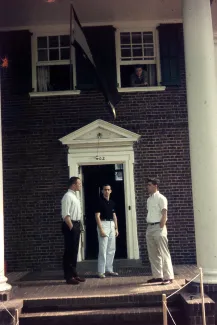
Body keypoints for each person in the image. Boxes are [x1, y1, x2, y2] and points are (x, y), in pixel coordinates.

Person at [146, 177, 174, 285]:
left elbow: (164, 214)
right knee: (153, 253)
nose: (147, 187)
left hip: (159, 227)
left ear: (155, 186)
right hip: (150, 227)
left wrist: (161, 227)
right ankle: (158, 276)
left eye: (149, 185)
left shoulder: (161, 198)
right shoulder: (149, 199)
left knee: (163, 252)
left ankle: (169, 277)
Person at [61, 177, 86, 285]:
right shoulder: (67, 197)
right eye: (79, 183)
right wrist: (72, 228)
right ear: (73, 185)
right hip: (70, 225)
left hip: (76, 224)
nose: (80, 185)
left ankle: (74, 274)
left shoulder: (74, 196)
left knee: (75, 251)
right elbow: (66, 214)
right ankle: (68, 276)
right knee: (69, 251)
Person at [95, 184, 119, 278]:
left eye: (108, 189)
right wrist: (101, 229)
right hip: (103, 224)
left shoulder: (112, 202)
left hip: (111, 225)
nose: (107, 191)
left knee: (111, 249)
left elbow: (114, 216)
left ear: (111, 191)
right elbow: (97, 216)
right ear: (102, 191)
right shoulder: (99, 202)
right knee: (103, 249)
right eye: (105, 190)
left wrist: (116, 228)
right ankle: (101, 271)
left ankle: (109, 269)